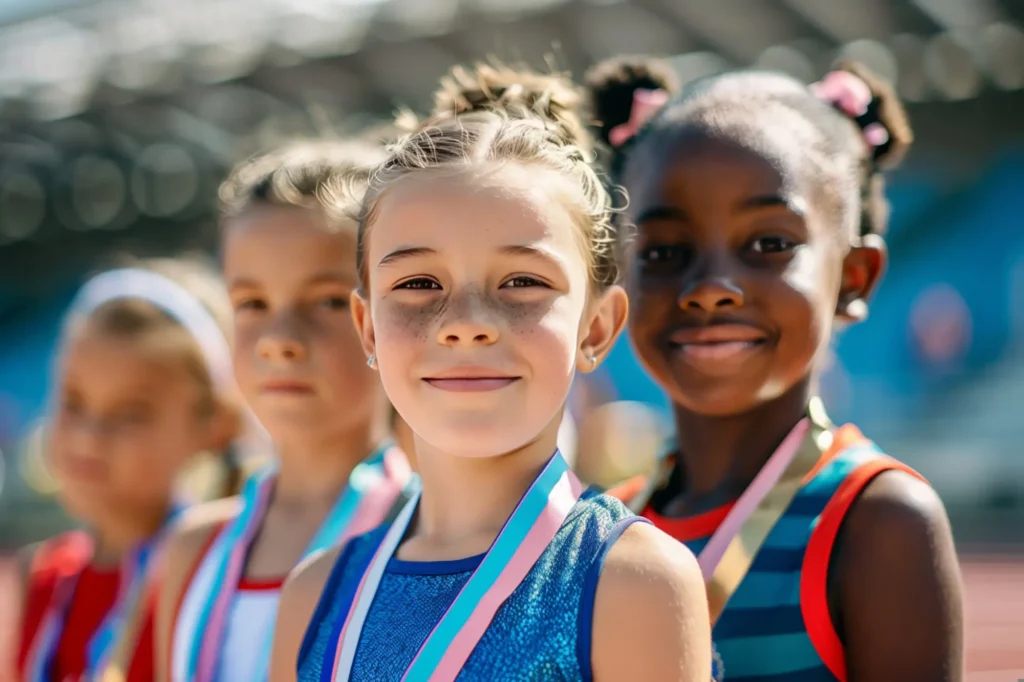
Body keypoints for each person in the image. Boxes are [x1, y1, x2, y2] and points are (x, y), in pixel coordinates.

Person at [268, 62, 712, 682]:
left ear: (597, 328)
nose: (466, 323)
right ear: (368, 328)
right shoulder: (312, 598)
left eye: (523, 282)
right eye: (419, 284)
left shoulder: (631, 580)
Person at [591, 56, 964, 681]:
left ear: (854, 277)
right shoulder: (603, 528)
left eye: (769, 243)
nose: (710, 288)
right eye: (663, 251)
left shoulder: (878, 521)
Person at [157, 140, 415, 682]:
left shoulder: (425, 537)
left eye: (324, 301)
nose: (279, 340)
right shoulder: (193, 549)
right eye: (252, 304)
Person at [15, 257, 245, 682]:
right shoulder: (38, 580)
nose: (89, 436)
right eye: (74, 402)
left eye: (131, 413)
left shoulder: (212, 574)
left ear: (215, 423)